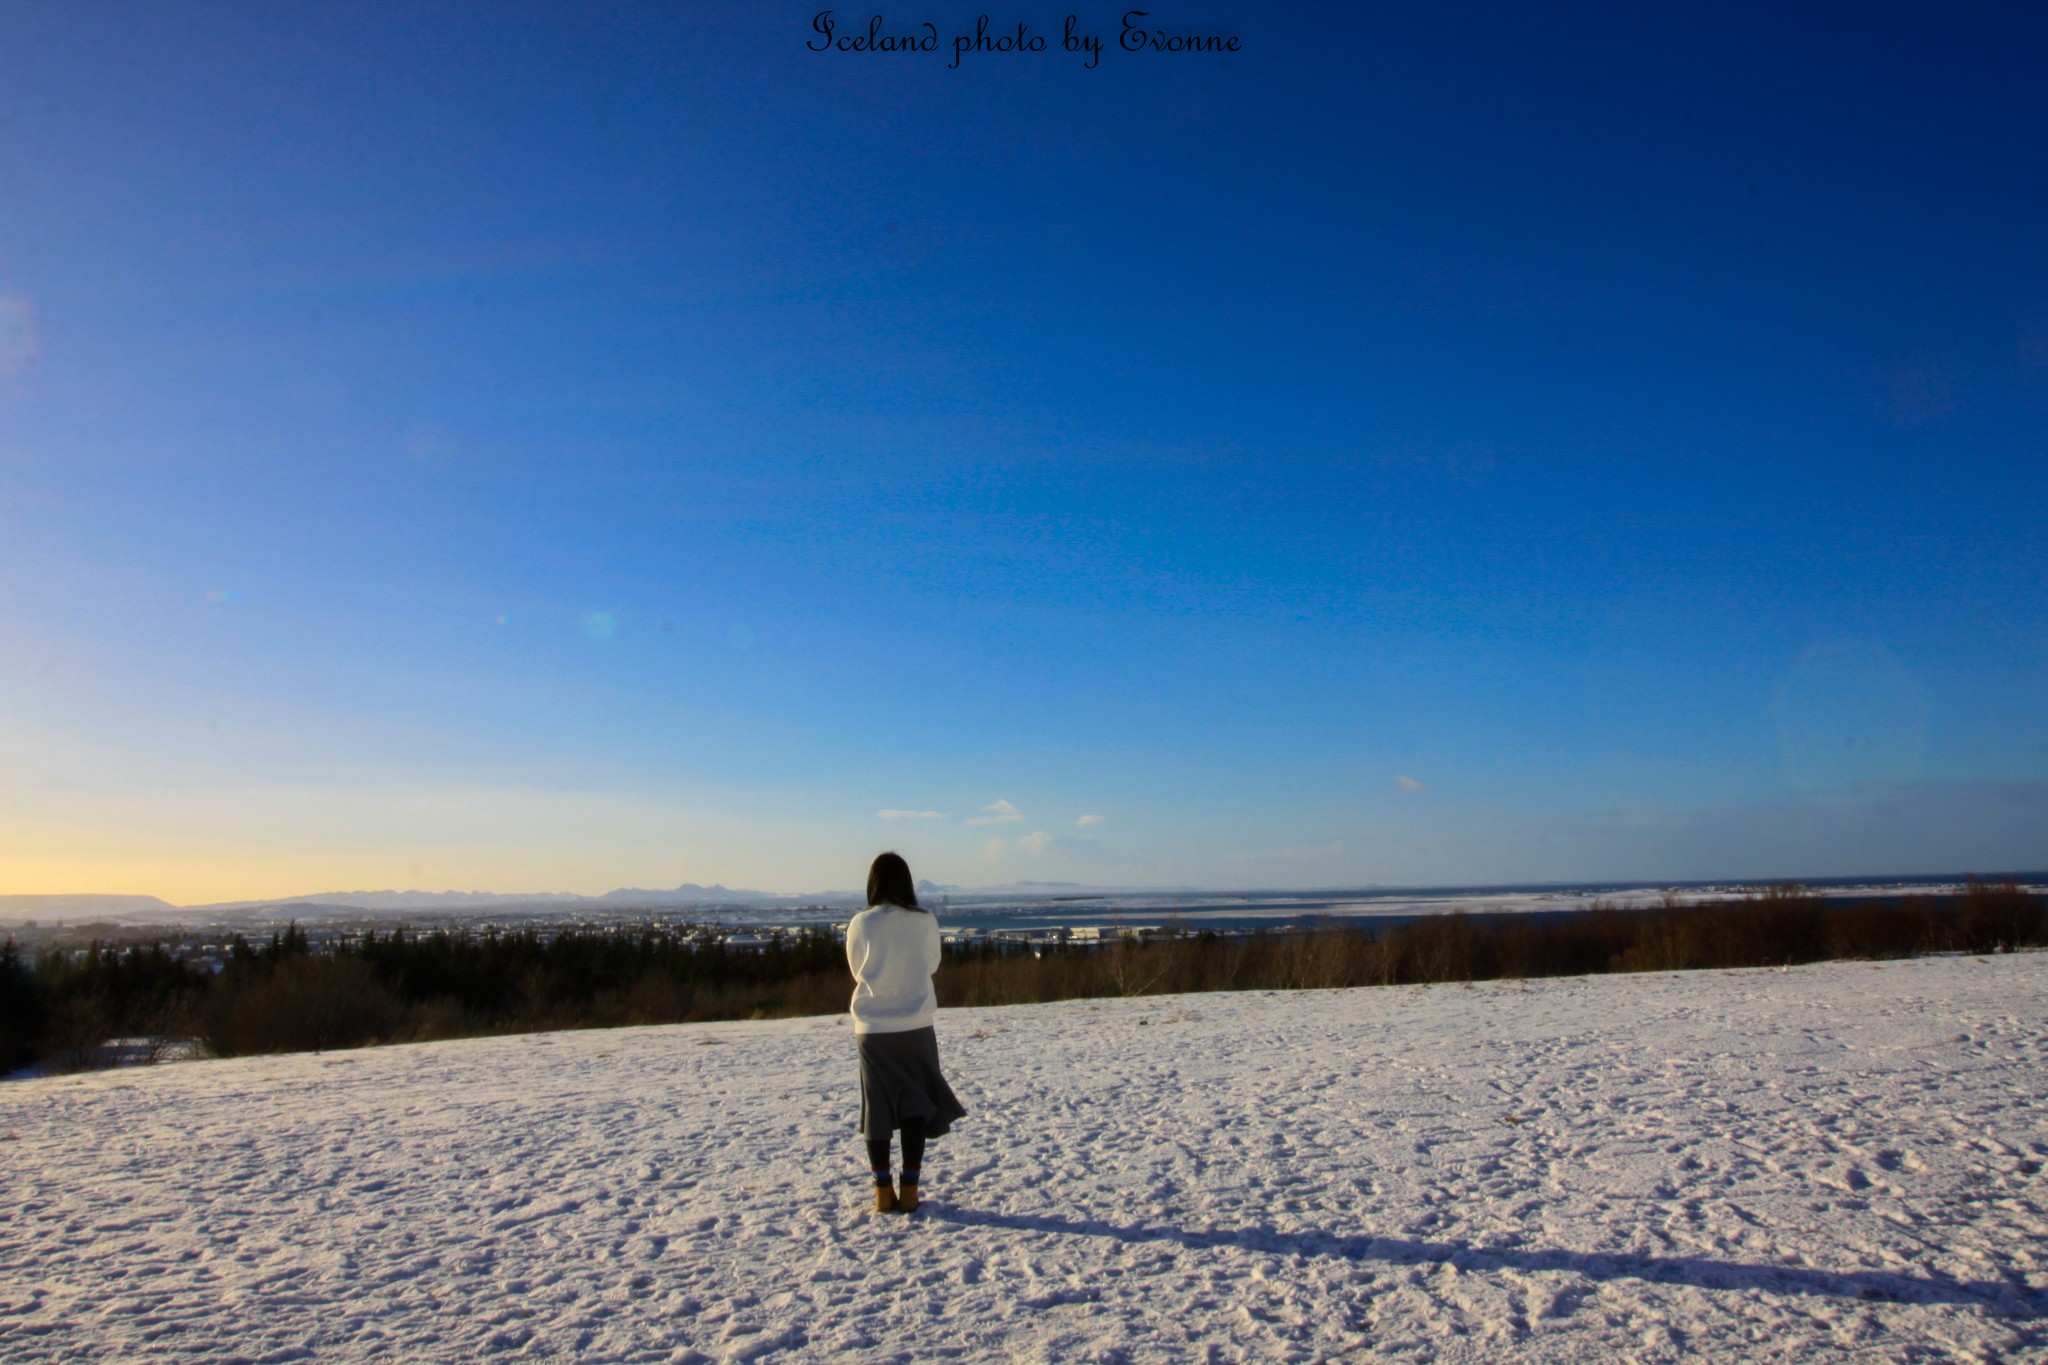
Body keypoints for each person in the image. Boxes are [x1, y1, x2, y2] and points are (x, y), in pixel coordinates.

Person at [846, 851, 968, 1214]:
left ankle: (883, 1192)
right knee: (915, 1104)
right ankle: (911, 1189)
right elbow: (931, 964)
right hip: (916, 1024)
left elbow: (857, 970)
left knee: (878, 1109)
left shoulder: (861, 923)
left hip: (872, 1028)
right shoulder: (925, 920)